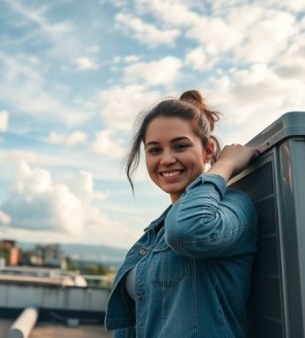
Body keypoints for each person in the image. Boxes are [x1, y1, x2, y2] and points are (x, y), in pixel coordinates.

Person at [105, 89, 259, 337]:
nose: (166, 159)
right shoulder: (156, 231)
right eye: (155, 150)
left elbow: (189, 230)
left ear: (208, 150)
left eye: (180, 146)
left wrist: (225, 165)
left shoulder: (233, 207)